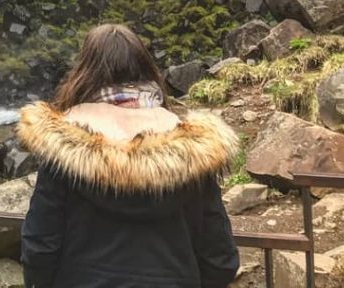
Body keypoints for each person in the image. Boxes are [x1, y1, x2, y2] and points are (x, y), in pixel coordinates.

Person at [17, 23, 240, 288]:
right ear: (146, 68)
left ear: (84, 72)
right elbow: (220, 257)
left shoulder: (64, 147)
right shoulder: (193, 150)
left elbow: (40, 247)